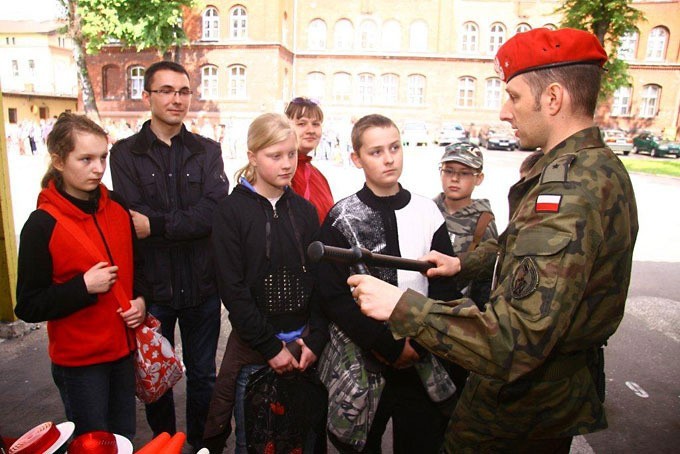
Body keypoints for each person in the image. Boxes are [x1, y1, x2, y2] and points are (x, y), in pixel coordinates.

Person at [350, 28, 639, 453]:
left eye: (515, 96)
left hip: (523, 406)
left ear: (553, 98)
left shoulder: (570, 191)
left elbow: (514, 339)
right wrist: (462, 265)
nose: (505, 111)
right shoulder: (595, 167)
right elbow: (518, 249)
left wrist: (402, 308)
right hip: (548, 393)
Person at [316, 114, 461, 453]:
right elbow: (334, 297)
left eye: (394, 147)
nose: (389, 158)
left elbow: (443, 287)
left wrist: (419, 343)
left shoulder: (428, 212)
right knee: (363, 443)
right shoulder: (342, 218)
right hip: (367, 356)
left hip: (422, 354)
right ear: (356, 159)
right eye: (376, 151)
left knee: (421, 440)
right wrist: (388, 346)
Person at [109, 60, 230, 452]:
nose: (176, 100)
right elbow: (131, 214)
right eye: (166, 91)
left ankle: (199, 444)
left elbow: (213, 213)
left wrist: (158, 226)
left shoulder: (207, 151)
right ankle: (165, 443)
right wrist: (181, 223)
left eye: (183, 91)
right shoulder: (125, 154)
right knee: (155, 376)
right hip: (154, 287)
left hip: (202, 286)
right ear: (147, 96)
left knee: (203, 376)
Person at [15, 113, 146, 441]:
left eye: (103, 157)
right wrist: (82, 287)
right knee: (94, 443)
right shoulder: (41, 225)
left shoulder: (117, 205)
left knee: (124, 439)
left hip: (122, 353)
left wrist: (142, 301)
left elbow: (138, 268)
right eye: (85, 159)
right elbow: (29, 306)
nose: (98, 168)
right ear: (58, 161)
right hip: (80, 364)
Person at [204, 113, 328, 453]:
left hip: (303, 351)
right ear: (252, 157)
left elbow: (319, 281)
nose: (286, 164)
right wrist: (270, 347)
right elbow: (233, 289)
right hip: (255, 353)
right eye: (275, 155)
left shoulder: (303, 211)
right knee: (257, 443)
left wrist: (315, 338)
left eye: (291, 154)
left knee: (301, 440)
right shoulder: (231, 212)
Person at [434, 145, 498, 308]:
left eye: (464, 173)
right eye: (448, 171)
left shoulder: (483, 221)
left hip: (460, 311)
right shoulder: (427, 210)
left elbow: (488, 271)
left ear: (479, 178)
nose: (454, 178)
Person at [284, 97, 334, 223]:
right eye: (302, 124)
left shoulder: (316, 174)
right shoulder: (280, 172)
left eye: (316, 124)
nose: (311, 130)